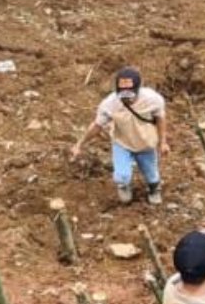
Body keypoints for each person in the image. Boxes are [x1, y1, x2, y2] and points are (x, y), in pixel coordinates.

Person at [70, 66, 169, 205]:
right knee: (122, 176)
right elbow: (97, 125)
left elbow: (160, 118)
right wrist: (79, 144)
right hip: (123, 143)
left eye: (130, 94)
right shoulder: (110, 104)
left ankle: (154, 188)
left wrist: (163, 142)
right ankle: (124, 185)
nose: (126, 98)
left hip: (145, 142)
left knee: (151, 174)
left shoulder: (153, 100)